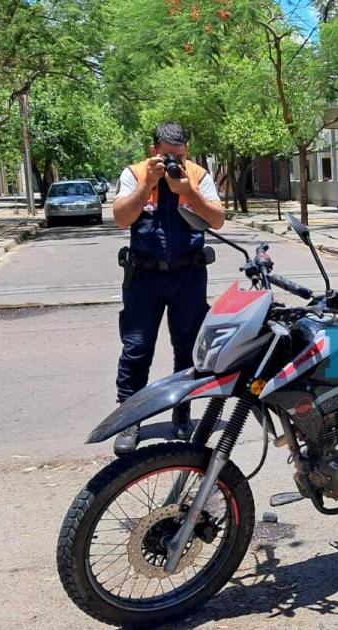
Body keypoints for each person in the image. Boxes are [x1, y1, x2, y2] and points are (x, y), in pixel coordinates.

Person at [111, 122, 226, 454]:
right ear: (154, 151)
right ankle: (129, 419)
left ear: (186, 151)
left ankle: (182, 412)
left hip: (188, 275)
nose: (174, 161)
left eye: (179, 154)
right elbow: (121, 218)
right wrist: (148, 184)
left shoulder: (198, 176)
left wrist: (187, 192)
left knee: (187, 349)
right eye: (167, 155)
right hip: (144, 277)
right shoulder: (135, 174)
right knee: (136, 348)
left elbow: (217, 219)